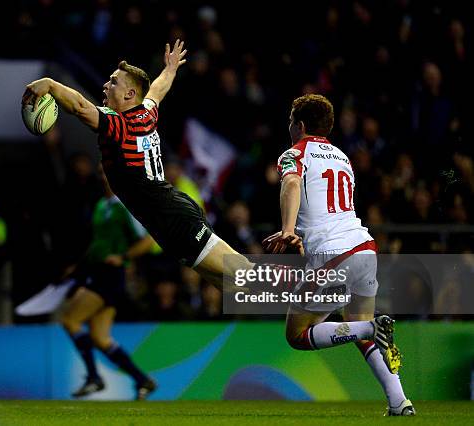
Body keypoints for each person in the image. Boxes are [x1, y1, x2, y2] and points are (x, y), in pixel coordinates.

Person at [22, 39, 252, 289]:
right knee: (231, 284)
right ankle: (299, 320)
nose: (105, 86)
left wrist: (51, 84)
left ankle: (300, 286)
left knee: (244, 273)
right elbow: (157, 90)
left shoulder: (119, 126)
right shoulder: (146, 112)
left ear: (130, 94)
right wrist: (171, 69)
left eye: (113, 82)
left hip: (172, 217)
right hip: (169, 217)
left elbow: (79, 106)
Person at [263, 94, 415, 416]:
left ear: (299, 125)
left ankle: (370, 328)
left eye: (291, 121)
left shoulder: (294, 153)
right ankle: (399, 402)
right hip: (364, 247)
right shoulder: (342, 157)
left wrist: (289, 229)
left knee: (298, 335)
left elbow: (291, 184)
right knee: (357, 324)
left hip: (333, 254)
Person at [61, 167, 156, 400]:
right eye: (101, 173)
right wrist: (79, 267)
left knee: (70, 320)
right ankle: (143, 380)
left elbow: (148, 241)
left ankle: (94, 377)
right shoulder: (102, 205)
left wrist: (123, 257)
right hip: (98, 272)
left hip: (110, 275)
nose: (103, 177)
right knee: (100, 338)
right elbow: (98, 244)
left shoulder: (126, 206)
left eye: (107, 172)